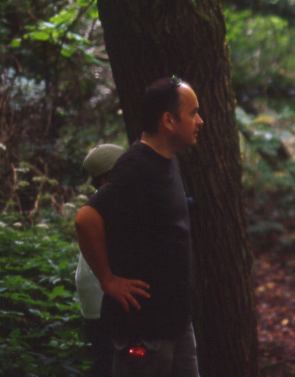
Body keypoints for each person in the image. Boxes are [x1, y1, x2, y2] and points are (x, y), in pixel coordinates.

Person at [75, 76, 204, 377]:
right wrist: (108, 280)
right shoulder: (136, 167)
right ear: (168, 121)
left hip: (175, 324)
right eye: (193, 113)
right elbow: (85, 219)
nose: (200, 120)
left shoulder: (167, 159)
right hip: (146, 331)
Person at [77, 143, 125, 377]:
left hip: (96, 298)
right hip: (102, 300)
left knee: (105, 358)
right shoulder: (112, 202)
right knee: (109, 362)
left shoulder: (102, 199)